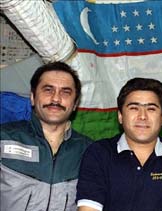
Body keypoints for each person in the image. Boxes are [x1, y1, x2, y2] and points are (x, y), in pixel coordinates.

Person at [76, 78, 162, 211]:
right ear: (120, 116)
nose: (142, 116)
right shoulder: (99, 153)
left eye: (151, 109)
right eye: (134, 108)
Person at [0, 62, 93, 211]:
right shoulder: (3, 138)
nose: (56, 99)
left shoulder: (90, 152)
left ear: (75, 103)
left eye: (65, 92)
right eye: (48, 90)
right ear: (32, 97)